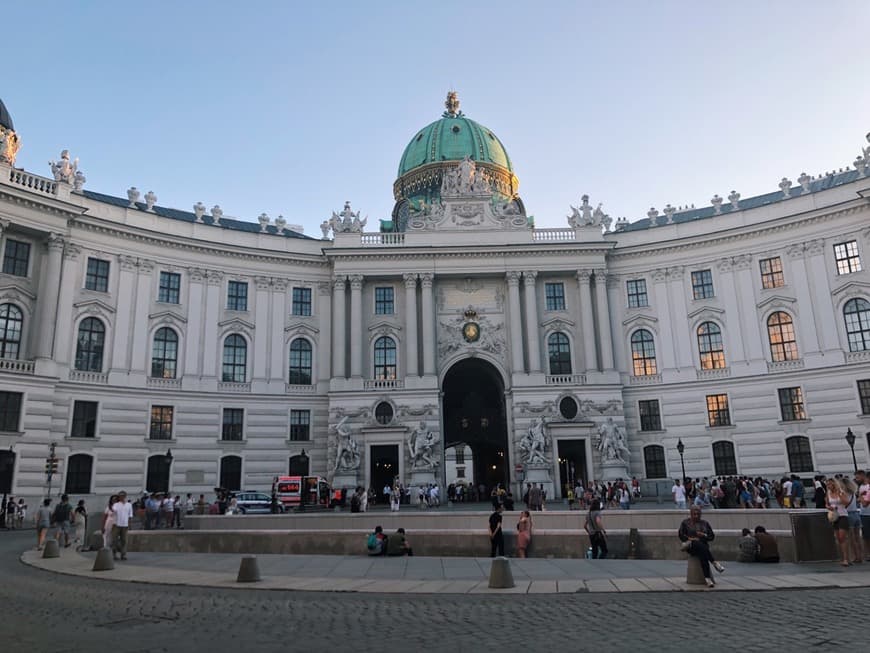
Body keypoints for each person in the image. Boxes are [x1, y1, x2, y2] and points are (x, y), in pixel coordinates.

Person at [678, 505, 725, 587]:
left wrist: (703, 535)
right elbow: (681, 535)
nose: (696, 516)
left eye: (698, 514)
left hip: (703, 545)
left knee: (703, 553)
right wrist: (691, 538)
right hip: (691, 545)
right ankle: (714, 563)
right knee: (698, 544)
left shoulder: (705, 523)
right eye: (694, 514)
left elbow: (711, 536)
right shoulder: (685, 523)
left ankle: (708, 579)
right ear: (691, 514)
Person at [826, 477, 851, 566]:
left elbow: (846, 502)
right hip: (834, 516)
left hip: (842, 515)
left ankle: (845, 559)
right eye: (827, 484)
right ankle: (843, 557)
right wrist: (828, 507)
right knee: (838, 538)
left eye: (830, 484)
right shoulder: (828, 493)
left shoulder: (841, 492)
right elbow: (827, 503)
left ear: (834, 484)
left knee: (842, 537)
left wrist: (840, 495)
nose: (829, 486)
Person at [111, 491, 133, 561]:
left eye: (123, 496)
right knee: (115, 540)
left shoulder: (129, 505)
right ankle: (114, 554)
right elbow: (113, 511)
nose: (121, 497)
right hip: (116, 524)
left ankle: (123, 554)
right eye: (120, 496)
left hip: (125, 524)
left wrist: (130, 524)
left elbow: (130, 515)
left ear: (125, 496)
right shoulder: (116, 504)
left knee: (124, 540)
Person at [857, 470, 870, 560]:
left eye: (857, 477)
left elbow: (865, 503)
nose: (856, 479)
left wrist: (860, 496)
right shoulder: (861, 487)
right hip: (864, 513)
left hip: (868, 511)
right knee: (866, 535)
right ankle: (868, 553)